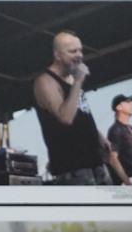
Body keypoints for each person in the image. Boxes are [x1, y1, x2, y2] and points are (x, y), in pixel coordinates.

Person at [32, 31, 112, 185]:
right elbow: (66, 118)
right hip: (72, 167)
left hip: (95, 162)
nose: (79, 55)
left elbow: (81, 113)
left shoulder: (72, 77)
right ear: (57, 55)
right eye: (72, 51)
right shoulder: (45, 82)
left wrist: (99, 136)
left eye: (80, 50)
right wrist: (78, 81)